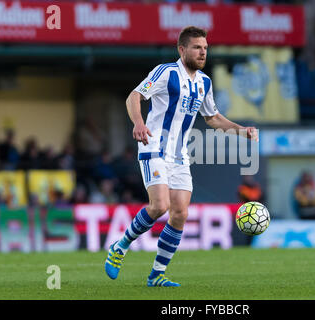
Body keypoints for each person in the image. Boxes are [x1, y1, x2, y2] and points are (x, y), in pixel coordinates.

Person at [104, 26, 258, 287]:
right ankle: (120, 246)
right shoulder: (166, 72)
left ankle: (156, 275)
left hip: (179, 156)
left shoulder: (204, 83)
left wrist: (241, 131)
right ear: (182, 49)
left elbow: (213, 118)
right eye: (197, 47)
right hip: (153, 148)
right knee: (159, 206)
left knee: (180, 214)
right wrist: (139, 123)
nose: (202, 52)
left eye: (206, 48)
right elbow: (135, 96)